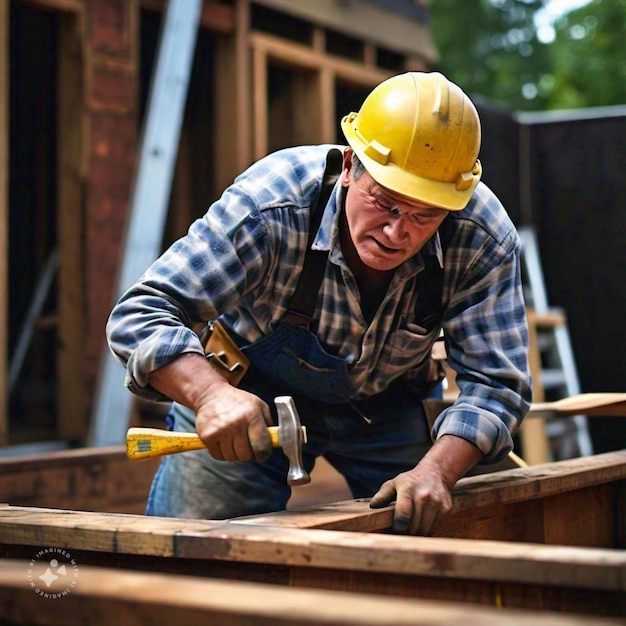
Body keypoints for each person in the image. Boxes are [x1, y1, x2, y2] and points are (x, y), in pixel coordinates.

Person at [106, 71, 532, 536]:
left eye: (424, 215)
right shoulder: (270, 206)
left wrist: (438, 471)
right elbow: (142, 312)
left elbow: (497, 382)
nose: (397, 231)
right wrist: (211, 396)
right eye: (384, 202)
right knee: (195, 558)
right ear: (350, 166)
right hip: (246, 402)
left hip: (389, 405)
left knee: (449, 535)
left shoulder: (480, 237)